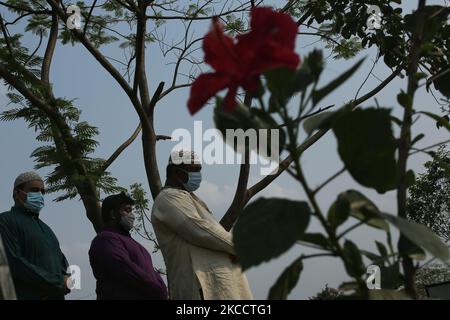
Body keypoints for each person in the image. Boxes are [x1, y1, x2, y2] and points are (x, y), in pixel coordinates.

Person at [151, 150, 253, 300]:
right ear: (175, 172)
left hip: (220, 284)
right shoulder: (169, 197)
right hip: (201, 287)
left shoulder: (188, 198)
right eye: (193, 169)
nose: (198, 174)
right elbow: (200, 230)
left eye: (199, 169)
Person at [0, 171, 71, 300]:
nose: (39, 195)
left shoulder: (47, 229)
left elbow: (60, 260)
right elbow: (13, 262)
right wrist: (58, 282)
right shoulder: (5, 221)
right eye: (34, 190)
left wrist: (66, 277)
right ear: (17, 193)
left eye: (42, 192)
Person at [89, 192, 167, 300]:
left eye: (131, 210)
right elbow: (126, 270)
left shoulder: (131, 242)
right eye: (127, 210)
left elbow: (150, 272)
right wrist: (158, 289)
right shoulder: (106, 240)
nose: (132, 215)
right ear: (113, 214)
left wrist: (162, 288)